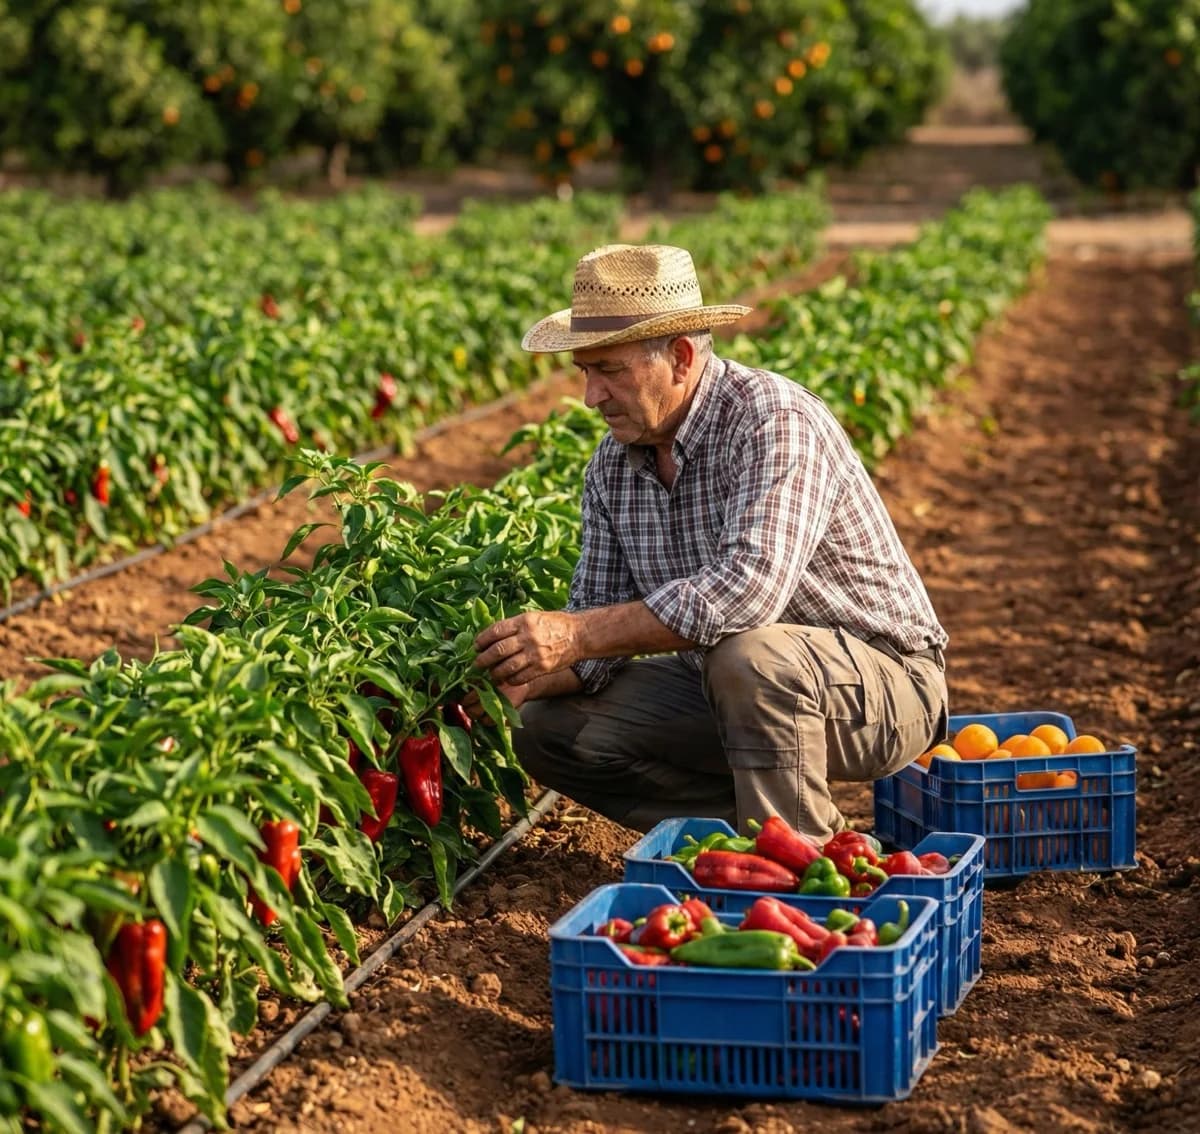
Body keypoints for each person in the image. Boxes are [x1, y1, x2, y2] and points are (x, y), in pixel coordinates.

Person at [472, 242, 948, 840]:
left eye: (610, 370)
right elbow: (593, 647)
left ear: (679, 356)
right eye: (585, 372)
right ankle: (751, 837)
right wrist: (509, 674)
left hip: (884, 687)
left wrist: (575, 634)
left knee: (748, 655)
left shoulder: (773, 418)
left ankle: (807, 866)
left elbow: (748, 595)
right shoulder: (612, 467)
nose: (591, 396)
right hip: (734, 689)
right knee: (549, 730)